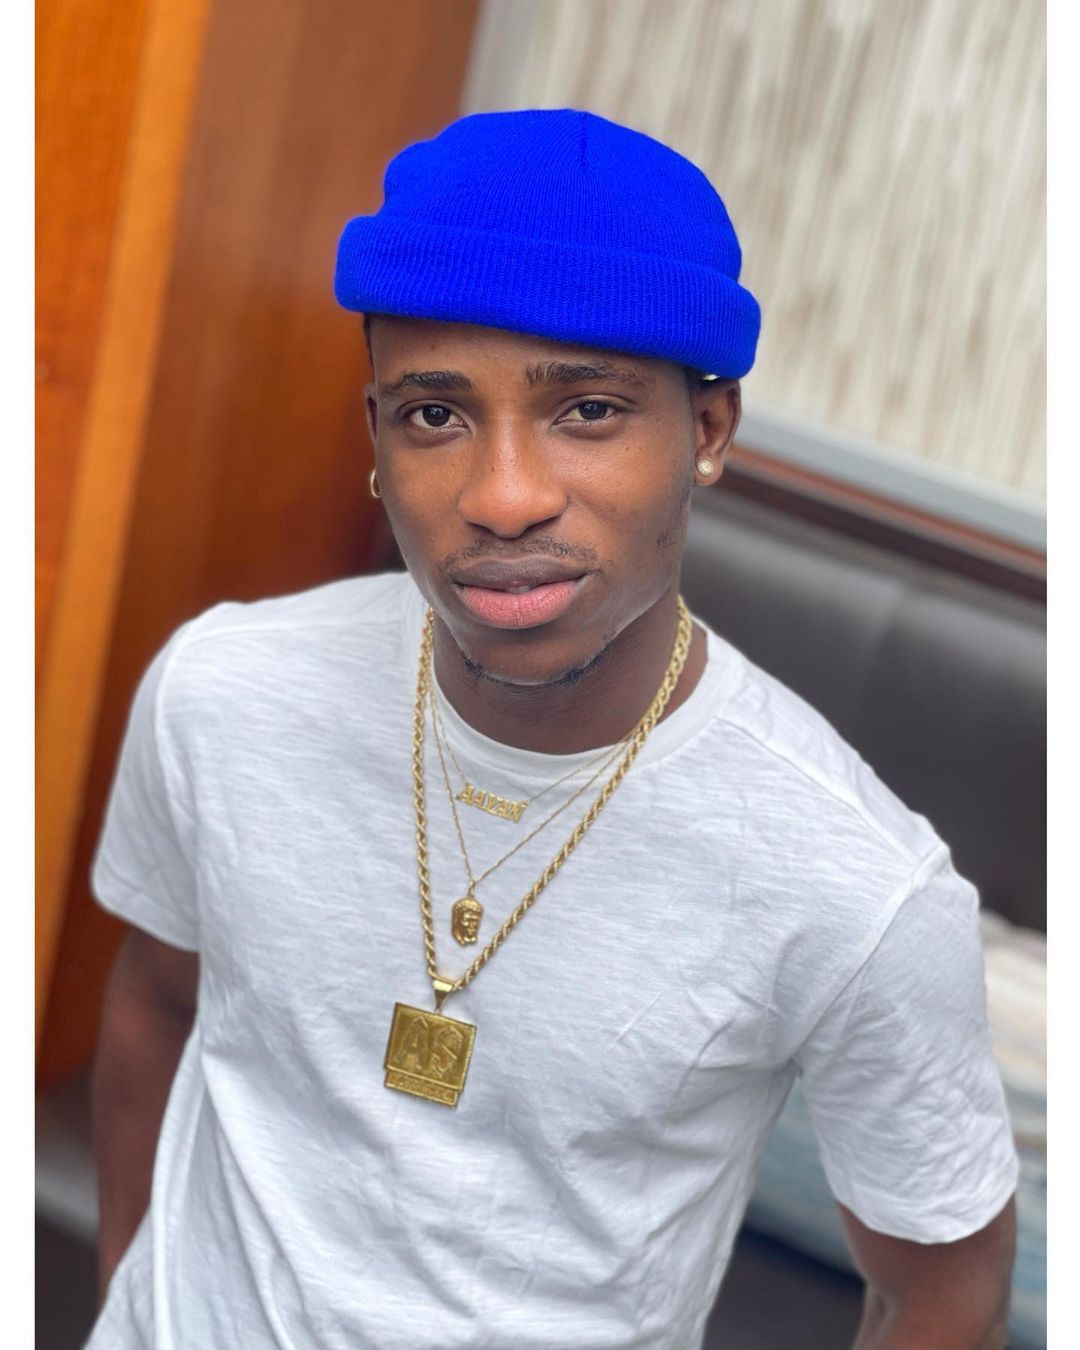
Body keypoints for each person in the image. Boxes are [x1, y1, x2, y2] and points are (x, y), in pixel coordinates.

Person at [87, 109, 1018, 1349]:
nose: (504, 497)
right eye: (435, 415)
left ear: (708, 432)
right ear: (375, 439)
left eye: (587, 410)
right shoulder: (223, 690)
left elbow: (942, 1290)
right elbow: (154, 1004)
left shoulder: (857, 886)